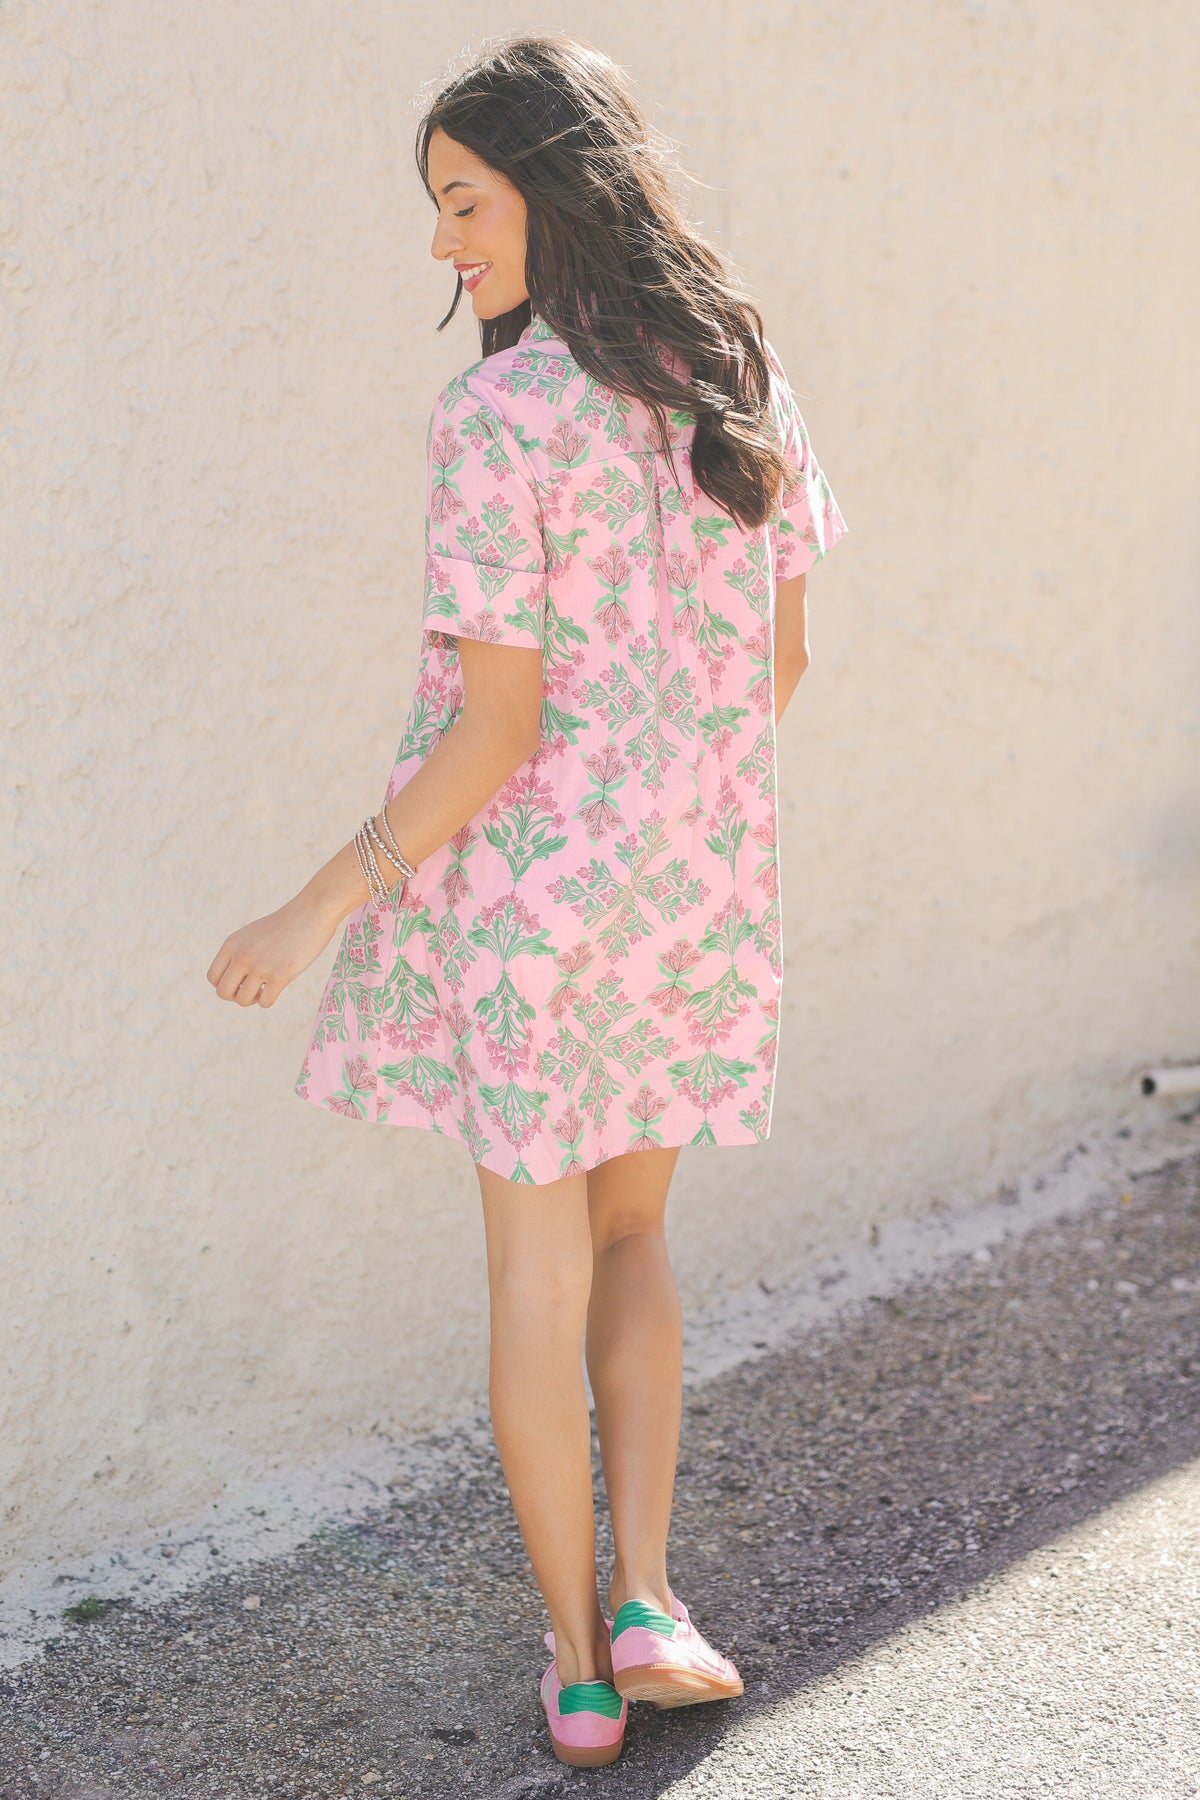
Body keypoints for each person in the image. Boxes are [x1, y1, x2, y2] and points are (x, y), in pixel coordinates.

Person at [207, 31, 848, 1769]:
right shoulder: (738, 369)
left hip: (533, 919)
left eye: (462, 202)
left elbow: (497, 732)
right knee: (638, 1239)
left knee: (533, 1271)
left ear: (548, 192)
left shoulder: (500, 417)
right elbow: (781, 658)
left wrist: (308, 909)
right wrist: (664, 807)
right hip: (696, 890)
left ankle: (576, 1667)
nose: (444, 244)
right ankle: (652, 1595)